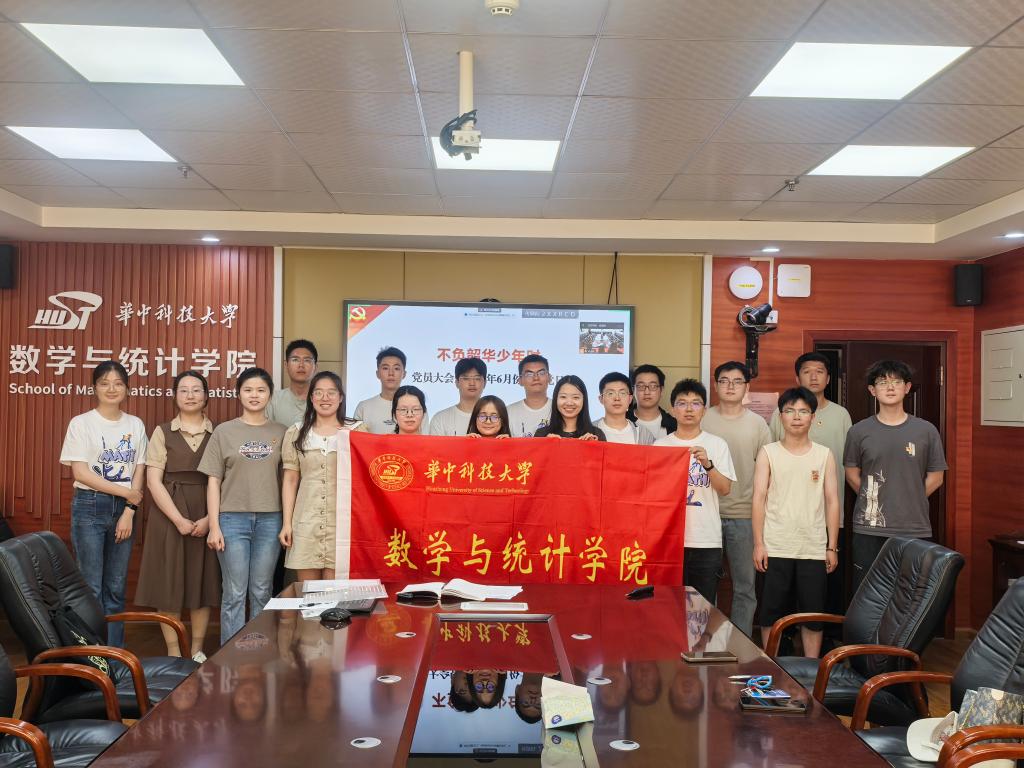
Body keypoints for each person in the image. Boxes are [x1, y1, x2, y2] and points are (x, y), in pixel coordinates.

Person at [59, 360, 147, 648]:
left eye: (118, 383)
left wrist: (129, 511)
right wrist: (127, 494)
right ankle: (91, 656)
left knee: (116, 588)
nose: (111, 389)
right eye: (104, 383)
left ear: (127, 389)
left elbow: (139, 469)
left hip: (125, 511)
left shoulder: (135, 425)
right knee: (90, 588)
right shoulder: (81, 423)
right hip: (90, 507)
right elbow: (81, 473)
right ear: (94, 388)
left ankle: (114, 654)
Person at [135, 370, 220, 662]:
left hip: (207, 512)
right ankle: (173, 651)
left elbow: (224, 480)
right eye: (184, 390)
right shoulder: (162, 432)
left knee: (202, 582)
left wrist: (210, 519)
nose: (190, 395)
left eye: (196, 390)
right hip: (168, 515)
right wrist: (178, 520)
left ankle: (196, 650)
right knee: (167, 584)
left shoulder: (218, 433)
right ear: (175, 396)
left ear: (206, 396)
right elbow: (153, 481)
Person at [200, 367, 287, 645]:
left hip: (270, 520)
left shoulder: (282, 432)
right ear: (239, 394)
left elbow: (289, 480)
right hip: (232, 520)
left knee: (262, 590)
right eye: (248, 389)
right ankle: (231, 656)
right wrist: (214, 526)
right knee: (234, 592)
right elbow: (213, 481)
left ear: (270, 395)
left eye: (261, 390)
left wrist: (287, 522)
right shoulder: (224, 432)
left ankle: (260, 652)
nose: (254, 395)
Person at [752, 387, 840, 658]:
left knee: (813, 615)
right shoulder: (768, 452)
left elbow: (832, 501)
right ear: (781, 416)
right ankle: (772, 665)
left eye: (803, 411)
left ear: (813, 417)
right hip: (775, 545)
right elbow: (758, 498)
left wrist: (831, 547)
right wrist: (758, 544)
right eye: (790, 411)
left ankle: (812, 670)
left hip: (813, 546)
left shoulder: (824, 454)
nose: (797, 417)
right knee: (771, 613)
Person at [844, 360, 946, 591]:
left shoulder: (926, 430)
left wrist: (910, 498)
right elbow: (851, 474)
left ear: (907, 387)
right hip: (869, 526)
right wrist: (876, 498)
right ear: (872, 390)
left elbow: (936, 477)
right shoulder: (858, 431)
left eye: (896, 382)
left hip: (914, 526)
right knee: (868, 593)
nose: (890, 387)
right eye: (882, 382)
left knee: (910, 594)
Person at [768, 351, 852, 616]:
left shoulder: (841, 415)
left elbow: (849, 460)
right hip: (785, 517)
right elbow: (770, 456)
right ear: (797, 377)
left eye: (820, 371)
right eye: (807, 371)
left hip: (827, 513)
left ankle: (823, 635)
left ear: (828, 379)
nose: (813, 376)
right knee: (782, 588)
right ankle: (784, 634)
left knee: (822, 585)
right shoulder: (780, 415)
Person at [700, 361, 772, 638]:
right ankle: (707, 643)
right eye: (724, 380)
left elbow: (767, 470)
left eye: (737, 381)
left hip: (745, 516)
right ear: (715, 385)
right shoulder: (703, 418)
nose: (730, 386)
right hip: (705, 515)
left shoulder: (758, 424)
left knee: (744, 587)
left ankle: (741, 645)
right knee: (706, 587)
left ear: (746, 387)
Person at [654, 379, 735, 604]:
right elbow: (652, 493)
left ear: (704, 410)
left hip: (705, 540)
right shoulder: (660, 447)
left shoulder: (717, 444)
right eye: (682, 403)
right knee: (667, 605)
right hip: (668, 540)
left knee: (702, 609)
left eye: (696, 403)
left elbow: (725, 489)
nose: (689, 409)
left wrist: (708, 464)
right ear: (672, 410)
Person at [280, 371, 365, 583]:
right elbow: (290, 480)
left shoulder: (357, 430)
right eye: (318, 392)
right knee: (308, 593)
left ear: (341, 397)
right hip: (306, 522)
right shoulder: (297, 432)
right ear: (311, 398)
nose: (325, 398)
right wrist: (287, 523)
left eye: (331, 392)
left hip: (343, 524)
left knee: (334, 594)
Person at [354, 347, 407, 434]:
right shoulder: (364, 407)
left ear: (404, 374)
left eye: (396, 368)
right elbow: (356, 439)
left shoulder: (417, 408)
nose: (391, 373)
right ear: (377, 373)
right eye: (385, 368)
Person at [534, 376, 606, 441]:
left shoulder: (596, 435)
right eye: (563, 397)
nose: (569, 403)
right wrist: (545, 444)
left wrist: (594, 446)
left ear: (584, 400)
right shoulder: (542, 435)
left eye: (575, 397)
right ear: (556, 399)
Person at [429, 357, 487, 435]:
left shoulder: (495, 419)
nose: (472, 383)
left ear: (484, 383)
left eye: (477, 378)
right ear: (457, 383)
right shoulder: (440, 418)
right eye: (466, 378)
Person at [594, 371, 655, 445]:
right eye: (610, 393)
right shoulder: (589, 430)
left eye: (622, 393)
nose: (617, 398)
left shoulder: (644, 434)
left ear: (630, 399)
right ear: (601, 399)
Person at [266, 339, 317, 428]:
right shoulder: (273, 399)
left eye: (307, 360)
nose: (301, 365)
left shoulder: (324, 400)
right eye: (295, 360)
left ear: (315, 367)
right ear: (286, 365)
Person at [506, 354, 552, 437]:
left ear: (549, 377)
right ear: (520, 380)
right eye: (529, 374)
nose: (536, 378)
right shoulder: (508, 412)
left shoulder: (560, 409)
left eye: (541, 373)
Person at [627, 364, 677, 440]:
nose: (647, 392)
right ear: (633, 390)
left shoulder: (674, 424)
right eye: (641, 386)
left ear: (661, 390)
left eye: (653, 386)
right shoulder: (623, 419)